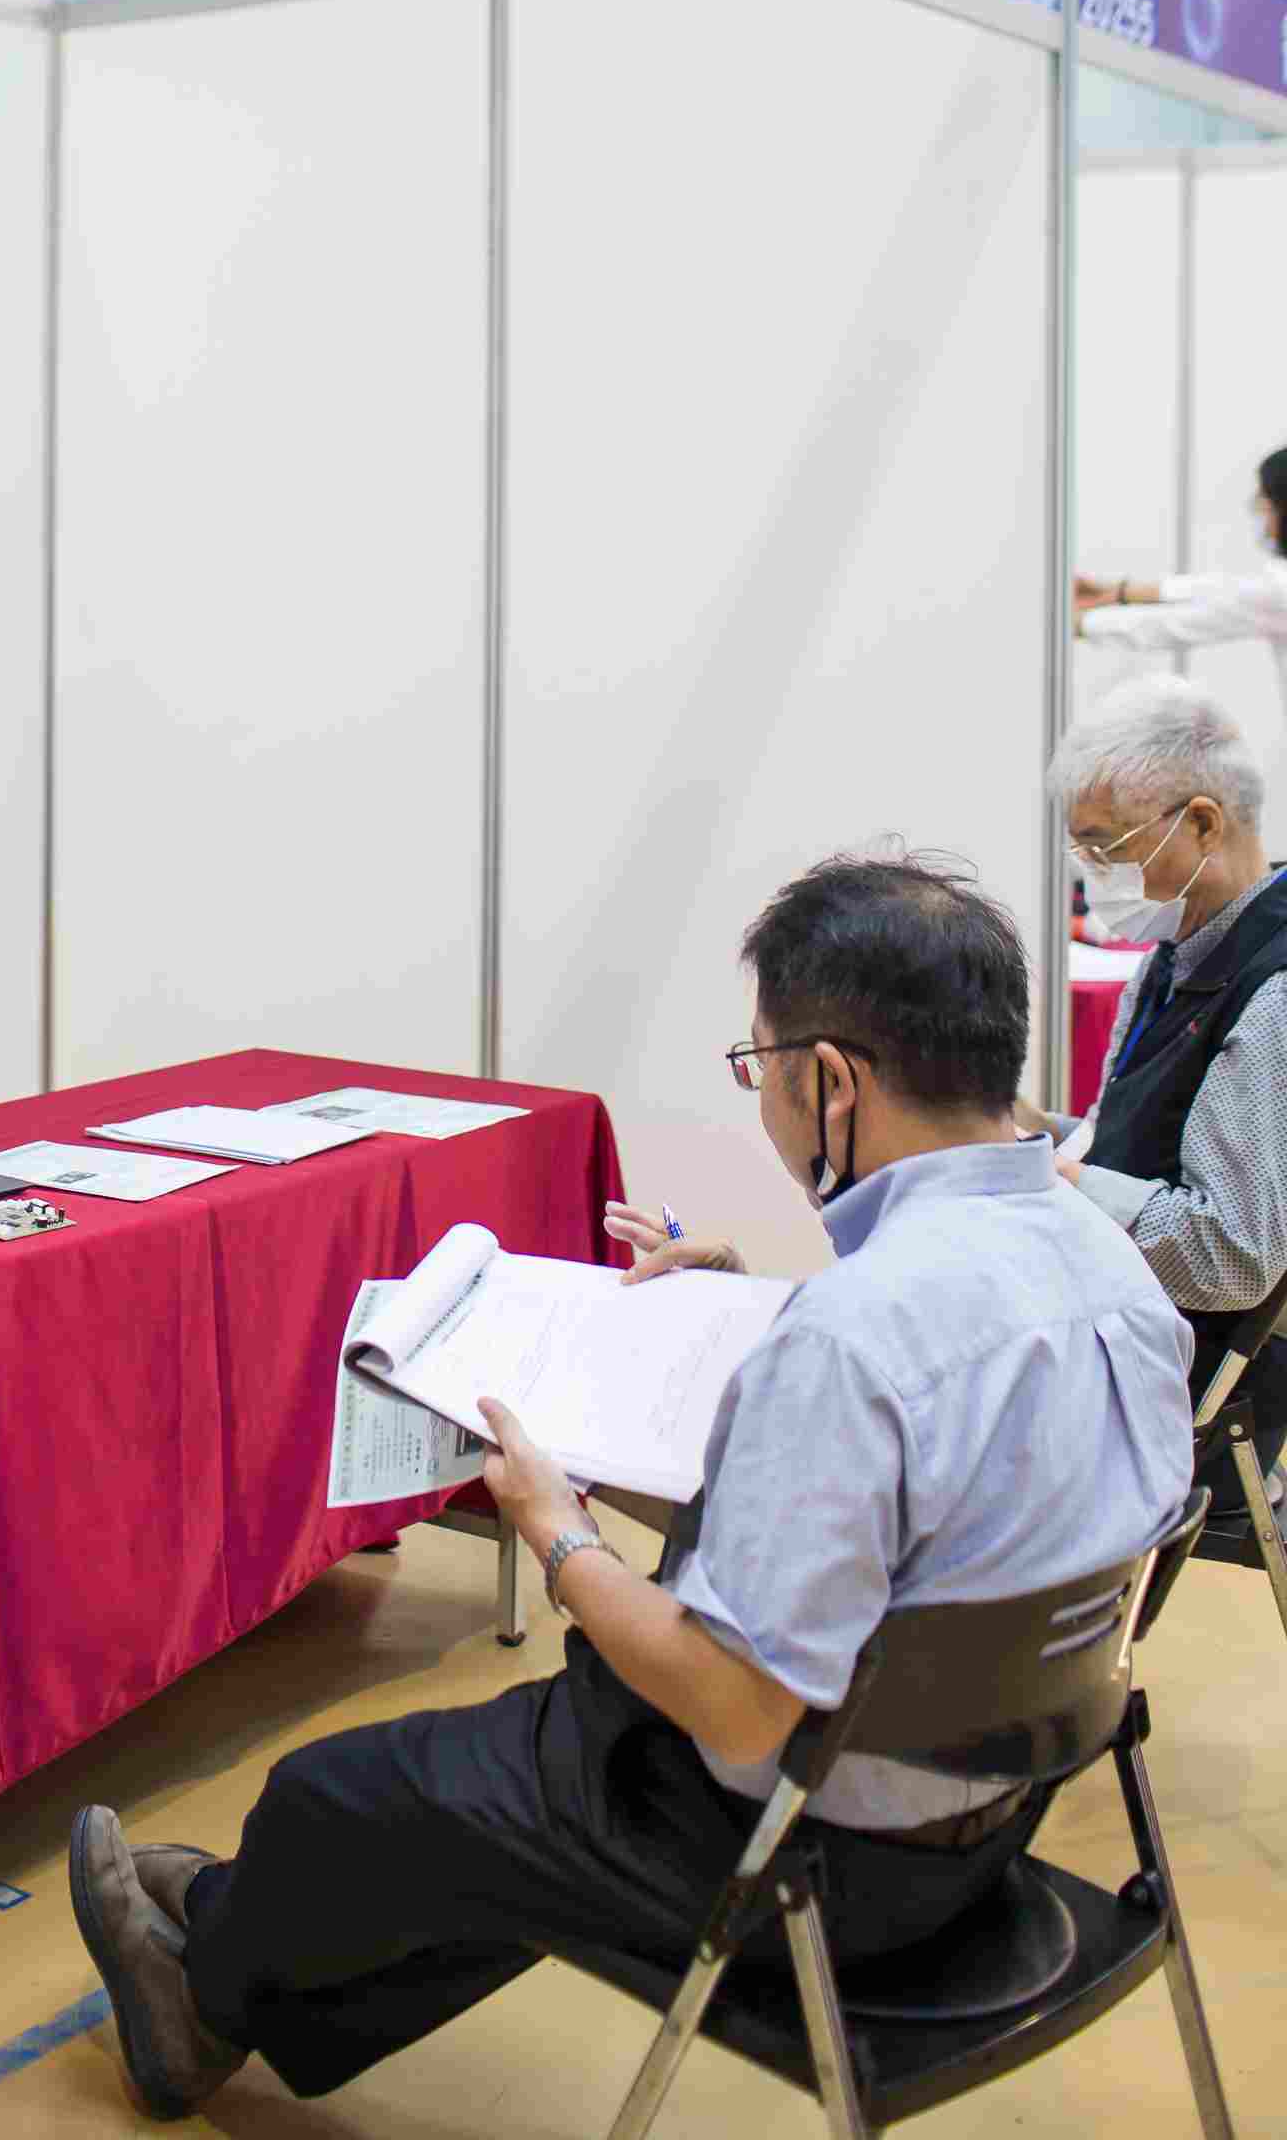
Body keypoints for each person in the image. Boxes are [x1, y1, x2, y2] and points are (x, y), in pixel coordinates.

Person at [66, 858, 1196, 2122]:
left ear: (830, 1081)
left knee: (332, 1799)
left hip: (805, 1854)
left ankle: (202, 1990)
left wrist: (559, 1537)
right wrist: (747, 1320)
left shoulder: (853, 1340)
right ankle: (242, 1942)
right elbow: (953, 1481)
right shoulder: (1110, 1267)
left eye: (758, 1066)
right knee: (467, 1800)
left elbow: (733, 1705)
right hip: (997, 1809)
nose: (762, 1101)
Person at [1041, 675, 1287, 1496]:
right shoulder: (1180, 954)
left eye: (1105, 847)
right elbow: (1146, 1138)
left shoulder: (1273, 994)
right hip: (1119, 1330)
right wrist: (1039, 1132)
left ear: (1204, 824)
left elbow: (1233, 1256)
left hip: (1180, 1384)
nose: (1093, 874)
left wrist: (1066, 1182)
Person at [1075, 442, 1287, 721]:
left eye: (1264, 504)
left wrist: (1077, 623)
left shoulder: (1278, 591)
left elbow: (1174, 625)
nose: (1260, 515)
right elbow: (1223, 589)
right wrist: (1118, 592)